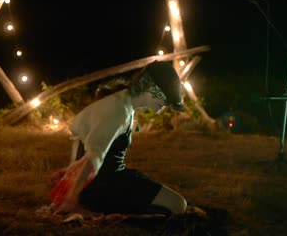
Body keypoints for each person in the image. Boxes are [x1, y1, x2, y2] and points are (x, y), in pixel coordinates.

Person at [49, 61, 188, 216]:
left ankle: (115, 209)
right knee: (178, 205)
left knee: (171, 201)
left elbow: (80, 137)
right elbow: (95, 155)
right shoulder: (119, 110)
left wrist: (71, 171)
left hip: (102, 183)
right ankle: (106, 213)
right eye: (165, 100)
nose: (165, 106)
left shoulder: (121, 103)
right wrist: (71, 198)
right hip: (105, 186)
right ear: (151, 89)